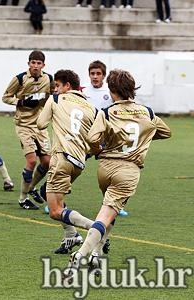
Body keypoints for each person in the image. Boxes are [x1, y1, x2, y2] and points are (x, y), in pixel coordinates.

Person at [65, 69, 171, 278]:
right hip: (128, 170)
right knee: (107, 214)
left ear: (113, 91)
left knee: (108, 210)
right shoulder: (147, 112)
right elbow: (166, 132)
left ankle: (97, 253)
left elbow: (93, 138)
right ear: (132, 89)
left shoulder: (106, 112)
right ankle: (81, 256)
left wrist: (100, 149)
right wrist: (142, 138)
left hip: (105, 168)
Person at [37, 70, 98, 254]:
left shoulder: (56, 100)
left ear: (67, 86)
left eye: (57, 86)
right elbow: (96, 140)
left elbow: (40, 124)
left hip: (61, 158)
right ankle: (71, 235)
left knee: (54, 210)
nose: (56, 89)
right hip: (79, 162)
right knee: (50, 194)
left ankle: (97, 229)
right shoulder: (91, 107)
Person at [2, 50, 54, 210]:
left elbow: (51, 95)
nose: (36, 66)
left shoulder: (48, 78)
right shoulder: (20, 79)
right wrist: (21, 101)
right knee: (31, 160)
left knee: (47, 162)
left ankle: (31, 187)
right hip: (23, 125)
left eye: (39, 63)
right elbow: (5, 97)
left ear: (43, 65)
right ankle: (23, 198)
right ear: (29, 63)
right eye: (33, 63)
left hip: (40, 125)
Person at [82, 60, 128, 217]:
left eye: (98, 74)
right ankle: (52, 196)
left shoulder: (111, 93)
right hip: (89, 137)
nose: (95, 77)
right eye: (92, 73)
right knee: (73, 165)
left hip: (107, 139)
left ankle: (113, 204)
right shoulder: (82, 91)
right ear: (89, 75)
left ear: (103, 75)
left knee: (111, 172)